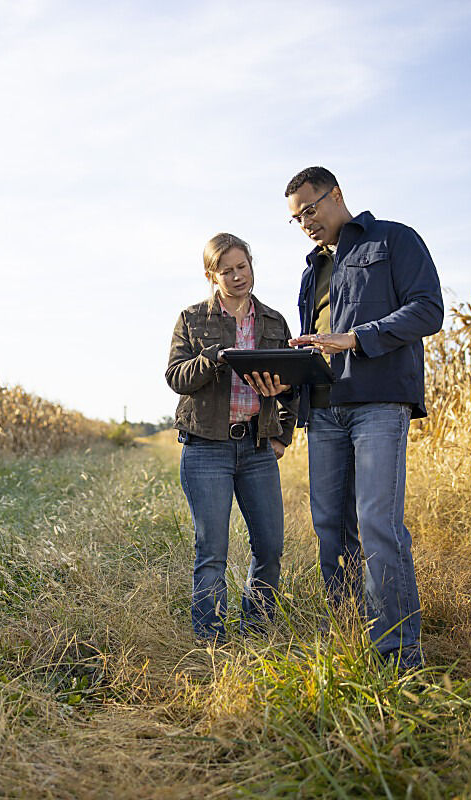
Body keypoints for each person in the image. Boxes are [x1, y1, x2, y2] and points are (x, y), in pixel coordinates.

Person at [252, 166, 443, 670]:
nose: (305, 223)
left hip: (379, 401)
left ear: (336, 195)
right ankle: (348, 633)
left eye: (310, 210)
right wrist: (286, 383)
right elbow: (313, 341)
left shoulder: (394, 239)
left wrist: (354, 337)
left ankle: (399, 656)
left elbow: (429, 310)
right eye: (295, 219)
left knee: (378, 523)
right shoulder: (311, 269)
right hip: (324, 407)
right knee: (330, 526)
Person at [166, 233, 298, 641]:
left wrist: (283, 437)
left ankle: (258, 630)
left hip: (258, 448)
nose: (238, 276)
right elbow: (176, 377)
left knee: (270, 548)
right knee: (212, 553)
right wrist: (213, 358)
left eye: (243, 266)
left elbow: (296, 385)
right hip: (207, 448)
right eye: (227, 270)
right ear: (212, 275)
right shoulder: (192, 319)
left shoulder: (274, 321)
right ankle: (211, 640)